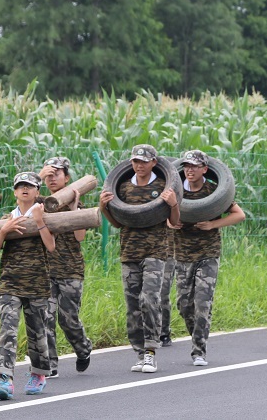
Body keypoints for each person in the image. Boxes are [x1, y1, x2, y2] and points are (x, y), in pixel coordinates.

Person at [99, 144, 180, 373]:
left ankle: (151, 351)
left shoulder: (163, 186)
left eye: (144, 161)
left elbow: (174, 222)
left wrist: (173, 203)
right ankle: (139, 351)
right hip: (129, 252)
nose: (139, 165)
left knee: (149, 298)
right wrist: (104, 208)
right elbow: (117, 222)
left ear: (154, 162)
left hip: (155, 252)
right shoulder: (123, 188)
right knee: (132, 304)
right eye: (135, 161)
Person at [171, 150, 245, 366]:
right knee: (184, 305)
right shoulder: (174, 190)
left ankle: (199, 350)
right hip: (183, 254)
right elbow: (160, 214)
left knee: (202, 303)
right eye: (186, 166)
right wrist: (170, 222)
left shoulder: (215, 190)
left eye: (194, 166)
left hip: (208, 254)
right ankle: (196, 336)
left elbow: (239, 215)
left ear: (205, 168)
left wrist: (213, 224)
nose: (189, 170)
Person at [0, 172, 55, 400]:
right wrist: (3, 231)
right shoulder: (7, 217)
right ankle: (5, 379)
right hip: (10, 283)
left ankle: (38, 374)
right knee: (7, 330)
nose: (24, 189)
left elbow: (51, 246)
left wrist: (38, 221)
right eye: (20, 186)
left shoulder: (46, 214)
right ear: (15, 191)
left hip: (37, 284)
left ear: (38, 191)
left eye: (29, 186)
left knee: (37, 332)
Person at [38, 157, 92, 378]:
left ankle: (83, 347)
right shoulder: (40, 203)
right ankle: (50, 364)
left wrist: (73, 209)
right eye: (49, 175)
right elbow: (19, 205)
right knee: (46, 318)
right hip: (46, 271)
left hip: (70, 270)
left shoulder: (77, 204)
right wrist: (38, 177)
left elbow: (80, 237)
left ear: (67, 178)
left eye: (56, 175)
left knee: (68, 318)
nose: (52, 179)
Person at [159, 230, 176, 347]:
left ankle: (163, 333)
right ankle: (144, 331)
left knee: (162, 293)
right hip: (143, 251)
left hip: (168, 252)